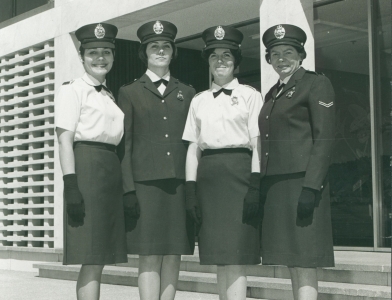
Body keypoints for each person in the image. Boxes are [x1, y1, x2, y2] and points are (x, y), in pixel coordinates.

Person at [117, 20, 196, 300]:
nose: (160, 51)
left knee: (174, 253)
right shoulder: (129, 92)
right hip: (145, 186)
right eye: (154, 46)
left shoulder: (188, 92)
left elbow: (192, 144)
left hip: (177, 185)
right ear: (144, 53)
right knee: (149, 254)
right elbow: (124, 145)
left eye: (166, 46)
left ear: (173, 52)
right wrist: (128, 189)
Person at [182, 25, 262, 300]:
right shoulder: (198, 101)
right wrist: (190, 189)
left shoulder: (251, 96)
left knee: (237, 254)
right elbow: (193, 146)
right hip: (209, 181)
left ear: (236, 62)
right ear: (208, 61)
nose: (220, 62)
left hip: (239, 176)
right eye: (214, 56)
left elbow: (257, 143)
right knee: (218, 255)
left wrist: (255, 184)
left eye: (227, 56)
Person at [259, 24, 335, 300]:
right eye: (275, 53)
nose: (281, 59)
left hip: (303, 184)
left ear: (301, 55)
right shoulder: (272, 94)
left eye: (288, 52)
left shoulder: (316, 84)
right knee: (292, 258)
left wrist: (311, 187)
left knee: (305, 260)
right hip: (278, 187)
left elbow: (324, 138)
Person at [54, 23, 127, 300]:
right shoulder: (73, 90)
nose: (100, 58)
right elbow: (65, 140)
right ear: (82, 56)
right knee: (91, 256)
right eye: (93, 52)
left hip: (109, 174)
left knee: (101, 255)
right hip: (86, 173)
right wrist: (71, 184)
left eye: (106, 52)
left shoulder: (109, 95)